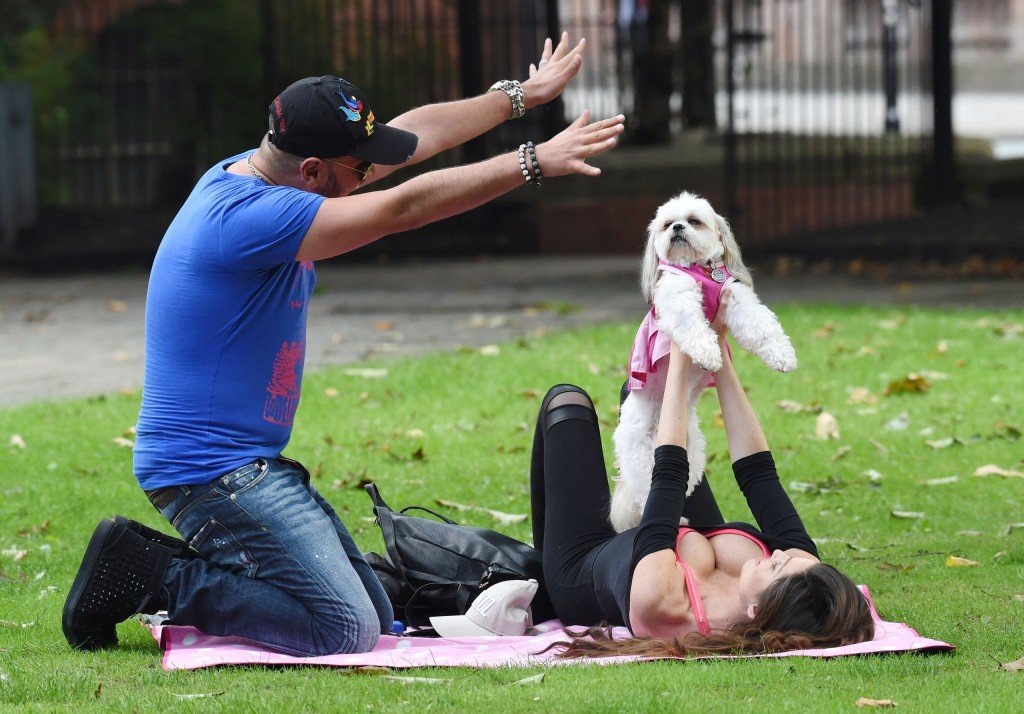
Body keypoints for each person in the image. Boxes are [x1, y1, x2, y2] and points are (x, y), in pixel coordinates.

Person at [62, 33, 625, 657]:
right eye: (358, 170)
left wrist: (519, 95)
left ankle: (178, 565)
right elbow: (403, 208)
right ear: (312, 171)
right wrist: (532, 162)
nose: (367, 176)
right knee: (345, 629)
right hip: (210, 475)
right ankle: (153, 574)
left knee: (378, 616)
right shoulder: (254, 217)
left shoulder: (275, 172)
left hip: (249, 465)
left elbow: (417, 137)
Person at [529, 310, 875, 657]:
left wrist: (682, 346)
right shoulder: (801, 579)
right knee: (650, 395)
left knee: (566, 402)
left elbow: (669, 475)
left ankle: (544, 568)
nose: (781, 553)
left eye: (774, 565)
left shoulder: (666, 605)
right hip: (677, 529)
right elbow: (759, 475)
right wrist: (719, 350)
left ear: (757, 610)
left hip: (584, 562)